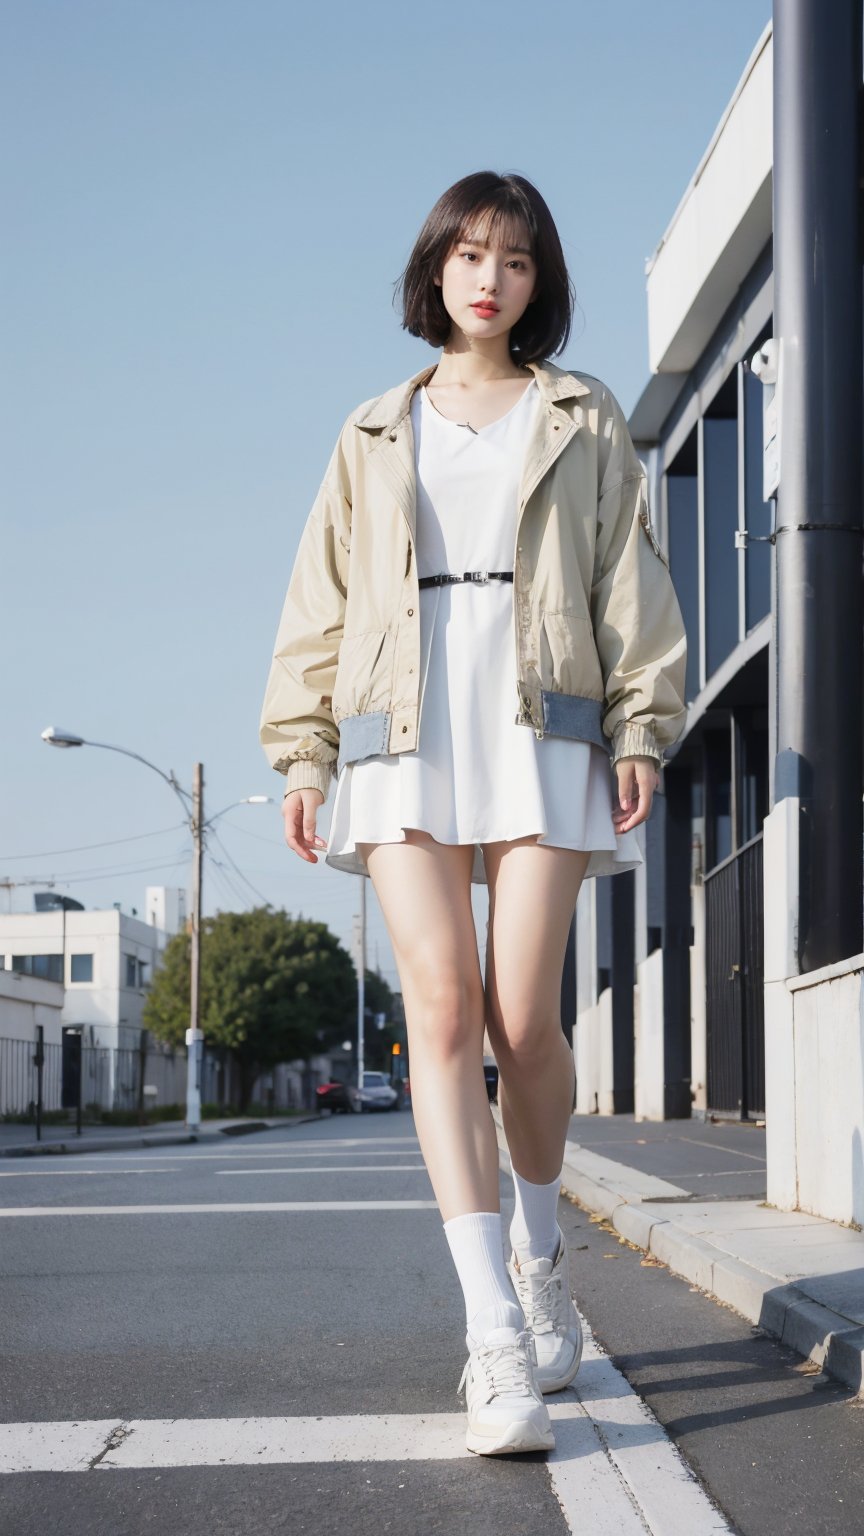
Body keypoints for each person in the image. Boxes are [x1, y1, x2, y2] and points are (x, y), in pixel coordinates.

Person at [259, 170, 688, 1457]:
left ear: (539, 279)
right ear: (434, 272)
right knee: (438, 1010)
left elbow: (632, 581)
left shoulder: (581, 413)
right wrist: (302, 754)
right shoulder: (374, 429)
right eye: (466, 255)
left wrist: (643, 730)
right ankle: (493, 1331)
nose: (487, 277)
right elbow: (318, 600)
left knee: (523, 1019)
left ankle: (545, 1253)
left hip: (544, 721)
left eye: (511, 257)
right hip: (402, 728)